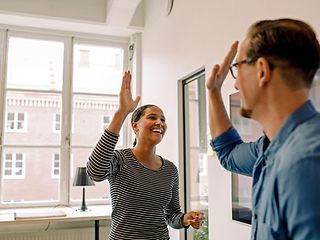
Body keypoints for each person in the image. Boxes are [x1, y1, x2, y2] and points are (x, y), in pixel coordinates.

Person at [207, 18, 320, 240]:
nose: (237, 83)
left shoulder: (306, 160)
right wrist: (213, 92)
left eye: (237, 68)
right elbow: (228, 153)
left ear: (262, 70)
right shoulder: (269, 148)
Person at [87, 71, 203, 240]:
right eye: (152, 117)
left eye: (163, 119)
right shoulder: (120, 160)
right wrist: (122, 112)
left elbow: (172, 216)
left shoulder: (170, 169)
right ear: (135, 126)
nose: (160, 123)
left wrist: (186, 219)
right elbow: (94, 172)